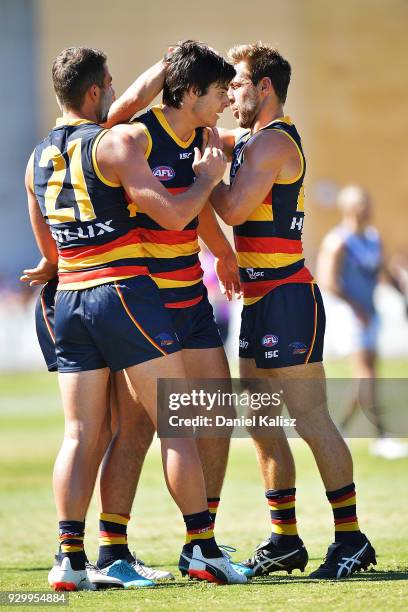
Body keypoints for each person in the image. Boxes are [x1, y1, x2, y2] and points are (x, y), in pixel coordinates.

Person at [24, 41, 248, 583]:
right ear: (98, 90)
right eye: (219, 92)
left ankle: (69, 561)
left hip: (80, 294)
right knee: (160, 426)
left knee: (86, 432)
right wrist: (207, 180)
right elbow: (174, 214)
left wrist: (51, 262)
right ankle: (178, 546)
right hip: (127, 293)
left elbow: (41, 224)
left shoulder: (38, 155)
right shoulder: (121, 140)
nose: (224, 102)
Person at [210, 42, 376, 579]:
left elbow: (233, 205)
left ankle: (351, 537)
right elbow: (203, 138)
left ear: (264, 88)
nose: (229, 95)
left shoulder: (274, 144)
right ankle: (285, 538)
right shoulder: (251, 141)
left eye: (235, 85)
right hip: (257, 300)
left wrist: (207, 173)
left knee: (310, 418)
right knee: (259, 420)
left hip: (286, 296)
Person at [317, 185, 408, 459]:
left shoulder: (372, 238)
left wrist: (400, 292)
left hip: (371, 313)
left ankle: (339, 430)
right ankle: (381, 435)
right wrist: (355, 307)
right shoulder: (338, 241)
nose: (369, 208)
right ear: (349, 207)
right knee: (367, 371)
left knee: (365, 374)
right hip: (350, 316)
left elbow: (381, 271)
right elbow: (328, 280)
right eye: (363, 203)